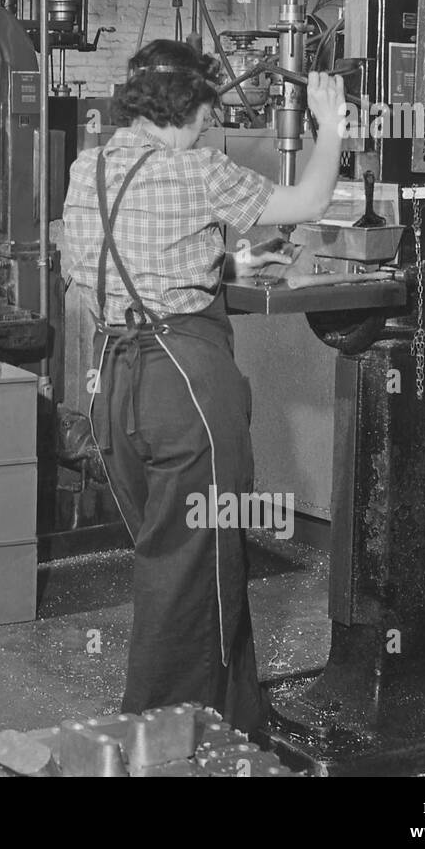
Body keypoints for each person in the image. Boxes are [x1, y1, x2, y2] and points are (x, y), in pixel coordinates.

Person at [60, 39, 347, 735]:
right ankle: (165, 735)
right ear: (187, 106)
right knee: (190, 573)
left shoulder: (89, 165)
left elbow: (95, 267)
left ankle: (233, 719)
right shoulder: (197, 169)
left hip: (112, 388)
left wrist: (211, 250)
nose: (213, 119)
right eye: (208, 106)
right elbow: (310, 197)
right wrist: (332, 126)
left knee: (184, 558)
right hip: (182, 385)